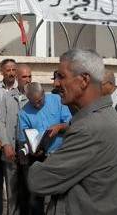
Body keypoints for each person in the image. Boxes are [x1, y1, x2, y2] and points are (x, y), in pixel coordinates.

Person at [28, 49, 117, 215]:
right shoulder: (99, 118)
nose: (56, 83)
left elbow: (38, 180)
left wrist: (42, 162)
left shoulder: (91, 128)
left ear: (84, 80)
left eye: (61, 76)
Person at [18, 82, 72, 214]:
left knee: (61, 195)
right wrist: (33, 148)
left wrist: (59, 127)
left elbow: (71, 123)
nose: (37, 105)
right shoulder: (23, 112)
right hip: (40, 158)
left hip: (61, 154)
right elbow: (24, 138)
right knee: (37, 196)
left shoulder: (57, 100)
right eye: (33, 102)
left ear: (44, 93)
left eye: (39, 101)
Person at [0, 63, 32, 215]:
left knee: (30, 188)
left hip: (29, 151)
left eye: (30, 76)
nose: (28, 79)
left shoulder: (35, 97)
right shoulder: (7, 97)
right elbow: (1, 121)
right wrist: (5, 144)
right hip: (11, 149)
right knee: (12, 190)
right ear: (18, 78)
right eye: (24, 76)